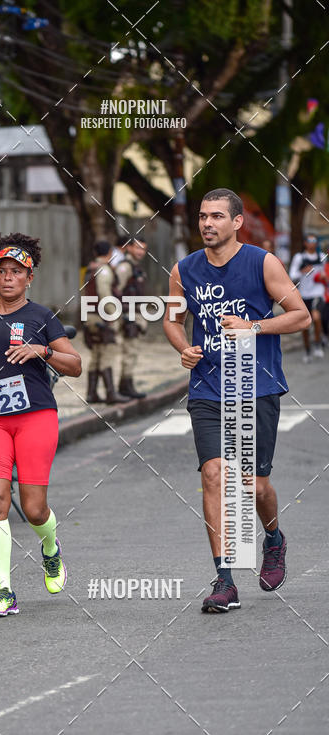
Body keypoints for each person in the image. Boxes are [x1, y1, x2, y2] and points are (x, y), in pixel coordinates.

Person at [164, 188, 311, 613]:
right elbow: (173, 320)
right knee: (214, 476)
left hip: (256, 387)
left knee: (254, 484)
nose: (207, 224)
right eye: (202, 217)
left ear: (236, 222)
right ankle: (224, 580)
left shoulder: (262, 262)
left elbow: (300, 315)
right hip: (207, 389)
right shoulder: (183, 270)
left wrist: (254, 327)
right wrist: (182, 348)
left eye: (216, 217)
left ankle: (274, 539)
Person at [0, 232, 82, 618]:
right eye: (2, 271)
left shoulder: (42, 317)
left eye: (16, 272)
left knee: (35, 508)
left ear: (29, 278)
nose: (8, 278)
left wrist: (42, 350)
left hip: (35, 417)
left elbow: (74, 365)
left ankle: (51, 548)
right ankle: (3, 591)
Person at [83, 240, 131, 404]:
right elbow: (105, 295)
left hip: (90, 316)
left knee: (96, 354)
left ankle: (91, 394)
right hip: (102, 317)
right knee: (108, 353)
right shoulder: (103, 270)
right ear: (109, 253)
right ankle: (111, 394)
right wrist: (114, 316)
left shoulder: (90, 269)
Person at [114, 237, 148, 399]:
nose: (141, 252)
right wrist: (124, 315)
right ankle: (125, 387)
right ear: (129, 248)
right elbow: (116, 293)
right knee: (129, 351)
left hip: (136, 314)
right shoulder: (125, 268)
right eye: (138, 248)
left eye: (143, 249)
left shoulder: (136, 268)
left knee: (132, 351)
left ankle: (126, 384)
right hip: (128, 315)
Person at [289, 234, 325, 361]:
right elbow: (292, 275)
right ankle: (307, 350)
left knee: (316, 317)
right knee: (305, 324)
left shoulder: (321, 257)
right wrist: (302, 271)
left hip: (317, 292)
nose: (312, 243)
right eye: (309, 240)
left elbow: (325, 272)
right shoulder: (300, 258)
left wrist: (323, 277)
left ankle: (317, 344)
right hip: (304, 294)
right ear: (305, 243)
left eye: (314, 240)